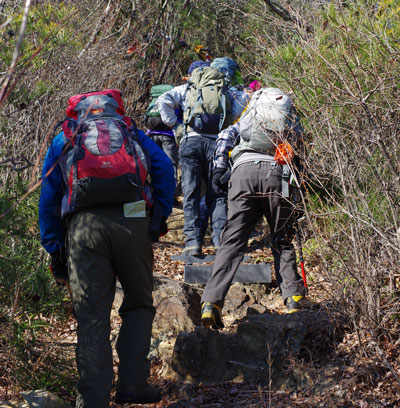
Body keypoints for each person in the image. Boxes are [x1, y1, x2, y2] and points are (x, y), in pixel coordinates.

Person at [39, 89, 175, 407]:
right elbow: (165, 170)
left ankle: (93, 399)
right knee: (139, 305)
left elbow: (48, 196)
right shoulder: (132, 133)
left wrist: (54, 246)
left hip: (84, 228)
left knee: (91, 316)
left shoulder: (66, 138)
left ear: (78, 112)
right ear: (117, 108)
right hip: (133, 219)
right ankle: (133, 384)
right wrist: (158, 220)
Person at [200, 87, 314, 329]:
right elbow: (301, 150)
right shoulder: (290, 120)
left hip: (242, 174)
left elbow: (224, 137)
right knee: (281, 237)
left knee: (232, 241)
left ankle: (211, 303)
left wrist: (219, 169)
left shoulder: (249, 116)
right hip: (277, 175)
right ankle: (294, 298)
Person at [157, 59, 249, 256]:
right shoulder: (223, 88)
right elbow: (242, 100)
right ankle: (220, 243)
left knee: (191, 194)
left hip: (191, 142)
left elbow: (162, 100)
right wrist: (228, 120)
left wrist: (176, 126)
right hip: (216, 145)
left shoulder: (187, 87)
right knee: (217, 194)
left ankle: (192, 244)